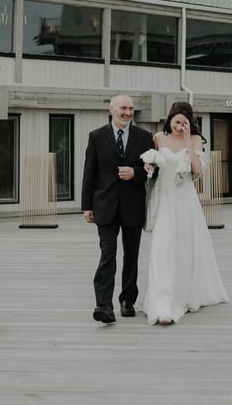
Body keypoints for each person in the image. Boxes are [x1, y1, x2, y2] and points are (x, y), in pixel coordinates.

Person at [138, 101, 228, 325]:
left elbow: (197, 171)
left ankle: (184, 293)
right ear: (170, 119)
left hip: (185, 200)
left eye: (184, 123)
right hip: (164, 200)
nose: (180, 126)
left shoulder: (196, 140)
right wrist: (148, 166)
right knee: (162, 248)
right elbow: (154, 166)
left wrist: (188, 142)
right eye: (177, 122)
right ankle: (161, 302)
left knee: (185, 248)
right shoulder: (158, 138)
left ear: (190, 124)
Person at [81, 93, 154, 324]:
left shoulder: (144, 137)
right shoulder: (96, 136)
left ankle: (127, 300)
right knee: (107, 254)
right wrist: (86, 206)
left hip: (133, 205)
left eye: (131, 109)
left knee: (131, 255)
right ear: (112, 109)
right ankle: (103, 305)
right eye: (124, 108)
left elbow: (154, 170)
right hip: (105, 206)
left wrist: (136, 173)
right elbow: (89, 173)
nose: (128, 113)